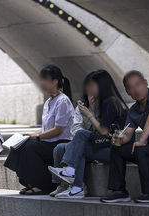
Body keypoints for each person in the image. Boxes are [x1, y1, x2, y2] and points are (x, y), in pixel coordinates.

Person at [101, 71, 149, 203]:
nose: (136, 90)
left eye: (138, 84)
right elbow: (127, 134)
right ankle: (119, 191)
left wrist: (142, 140)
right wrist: (118, 139)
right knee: (117, 148)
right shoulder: (133, 110)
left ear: (145, 83)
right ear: (127, 92)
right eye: (131, 87)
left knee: (141, 149)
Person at [48, 69, 126, 199]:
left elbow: (103, 131)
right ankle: (71, 183)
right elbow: (93, 131)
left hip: (112, 149)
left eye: (91, 85)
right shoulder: (101, 103)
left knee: (80, 142)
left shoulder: (110, 102)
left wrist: (90, 114)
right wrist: (93, 109)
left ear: (101, 86)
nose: (88, 88)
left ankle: (73, 178)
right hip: (103, 145)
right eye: (87, 85)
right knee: (60, 147)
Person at [5, 65, 73, 194]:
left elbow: (58, 129)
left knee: (30, 147)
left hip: (60, 143)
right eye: (41, 79)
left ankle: (44, 185)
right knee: (22, 144)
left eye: (45, 79)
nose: (41, 83)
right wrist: (30, 134)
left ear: (55, 81)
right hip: (49, 142)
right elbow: (45, 128)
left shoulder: (63, 100)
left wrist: (37, 137)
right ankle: (31, 183)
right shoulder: (48, 102)